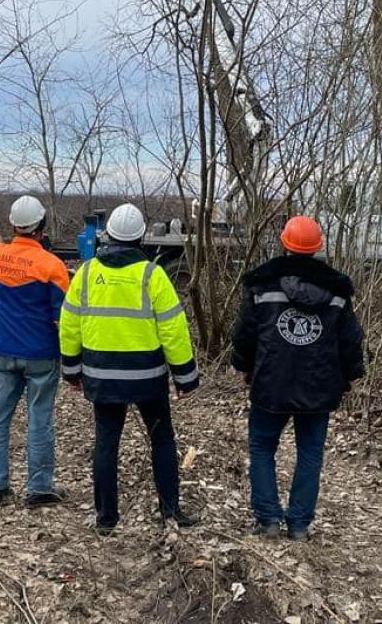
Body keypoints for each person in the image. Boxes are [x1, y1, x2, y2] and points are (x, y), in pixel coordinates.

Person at [60, 202, 200, 535]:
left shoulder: (86, 273)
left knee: (106, 443)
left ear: (108, 237)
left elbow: (69, 325)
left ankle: (106, 519)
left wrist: (71, 370)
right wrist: (185, 377)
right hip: (147, 379)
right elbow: (173, 330)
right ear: (140, 237)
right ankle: (170, 511)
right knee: (162, 441)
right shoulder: (153, 275)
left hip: (101, 376)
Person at [230, 215, 365, 542]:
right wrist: (351, 376)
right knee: (310, 454)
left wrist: (244, 368)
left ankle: (268, 519)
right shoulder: (336, 291)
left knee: (262, 448)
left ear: (284, 243)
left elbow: (244, 334)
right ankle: (300, 525)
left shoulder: (262, 286)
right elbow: (350, 339)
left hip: (271, 383)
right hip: (318, 388)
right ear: (317, 247)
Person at [0, 195, 71, 507]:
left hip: (3, 351)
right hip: (41, 355)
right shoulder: (53, 266)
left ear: (13, 225)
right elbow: (62, 319)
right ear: (41, 227)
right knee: (40, 418)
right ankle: (38, 488)